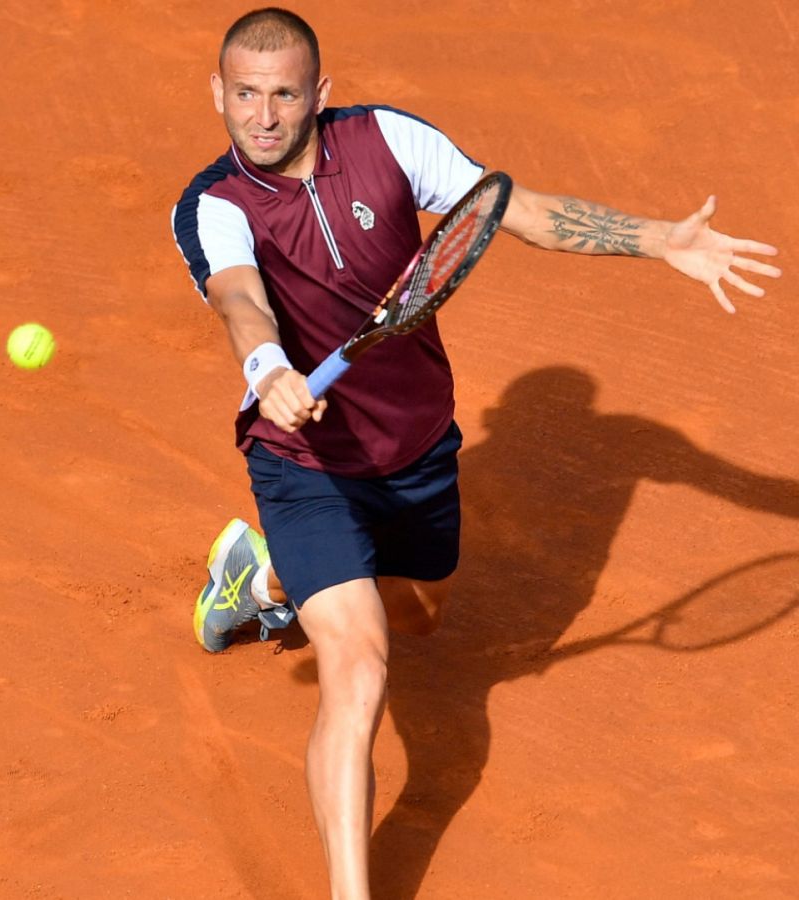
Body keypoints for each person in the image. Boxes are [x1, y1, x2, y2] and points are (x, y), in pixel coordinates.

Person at [171, 8, 780, 899]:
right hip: (305, 462)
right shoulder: (215, 205)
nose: (263, 117)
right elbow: (239, 299)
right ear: (217, 93)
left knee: (418, 617)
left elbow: (515, 211)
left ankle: (260, 579)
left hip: (417, 450)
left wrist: (660, 239)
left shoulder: (387, 141)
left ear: (319, 94)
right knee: (359, 667)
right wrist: (269, 371)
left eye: (285, 95)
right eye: (245, 95)